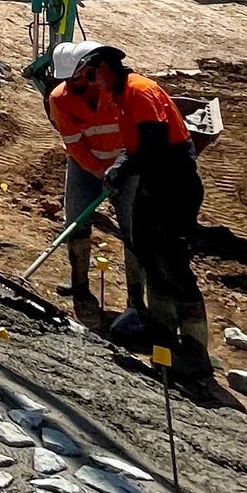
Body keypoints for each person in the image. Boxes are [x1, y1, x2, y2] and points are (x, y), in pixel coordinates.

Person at [48, 41, 213, 389]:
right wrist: (107, 170)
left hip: (172, 185)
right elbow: (106, 145)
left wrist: (122, 169)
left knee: (172, 264)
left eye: (91, 76)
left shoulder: (139, 93)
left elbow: (152, 145)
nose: (92, 85)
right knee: (152, 256)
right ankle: (162, 338)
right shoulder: (116, 95)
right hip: (147, 179)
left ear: (103, 69)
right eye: (83, 79)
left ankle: (195, 354)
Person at [44, 39, 150, 338]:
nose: (74, 85)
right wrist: (101, 173)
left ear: (89, 70)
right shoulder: (59, 99)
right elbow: (75, 144)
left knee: (133, 232)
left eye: (78, 78)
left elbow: (137, 133)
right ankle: (79, 284)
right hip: (86, 166)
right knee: (76, 222)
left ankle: (135, 301)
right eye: (68, 80)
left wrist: (120, 170)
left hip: (127, 167)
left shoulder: (116, 89)